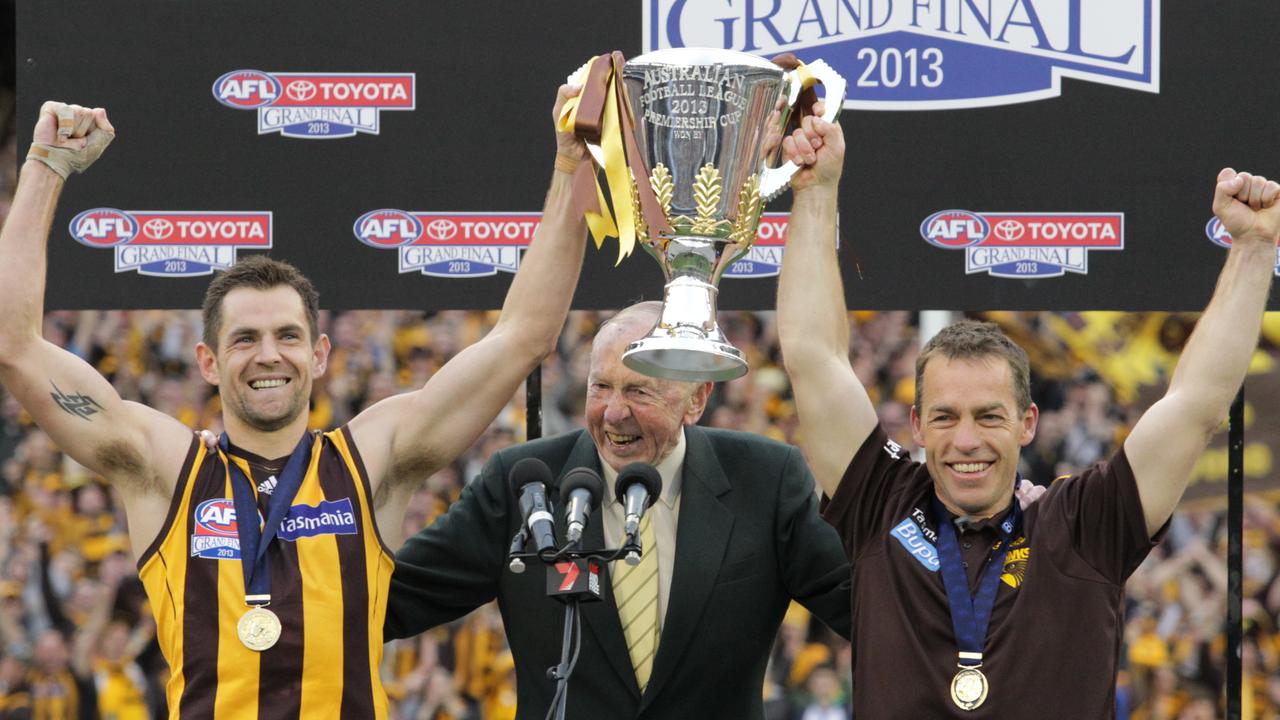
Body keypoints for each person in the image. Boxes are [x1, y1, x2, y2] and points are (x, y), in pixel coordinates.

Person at [0, 88, 589, 719]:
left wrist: (572, 167)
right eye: (244, 339)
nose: (268, 355)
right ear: (208, 361)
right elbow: (13, 347)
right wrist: (45, 165)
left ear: (319, 355)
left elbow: (523, 337)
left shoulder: (372, 461)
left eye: (287, 336)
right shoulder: (168, 469)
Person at [775, 108, 1278, 716]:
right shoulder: (880, 502)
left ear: (1028, 422)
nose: (966, 439)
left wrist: (1252, 248)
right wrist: (815, 189)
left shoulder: (1087, 523)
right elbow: (813, 357)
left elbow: (1196, 404)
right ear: (915, 427)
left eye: (989, 416)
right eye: (944, 417)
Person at [384, 300, 852, 720]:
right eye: (600, 387)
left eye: (639, 392)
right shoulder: (523, 483)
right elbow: (390, 601)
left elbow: (864, 608)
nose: (612, 413)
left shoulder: (766, 478)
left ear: (697, 399)